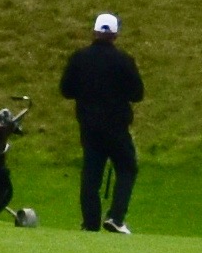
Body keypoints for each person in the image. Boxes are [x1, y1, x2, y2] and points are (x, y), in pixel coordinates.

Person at [59, 12, 144, 232]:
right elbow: (137, 94)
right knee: (127, 168)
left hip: (88, 126)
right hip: (116, 126)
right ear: (115, 35)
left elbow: (66, 90)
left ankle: (90, 224)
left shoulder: (79, 58)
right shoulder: (124, 60)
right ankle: (116, 217)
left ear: (95, 32)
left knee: (91, 175)